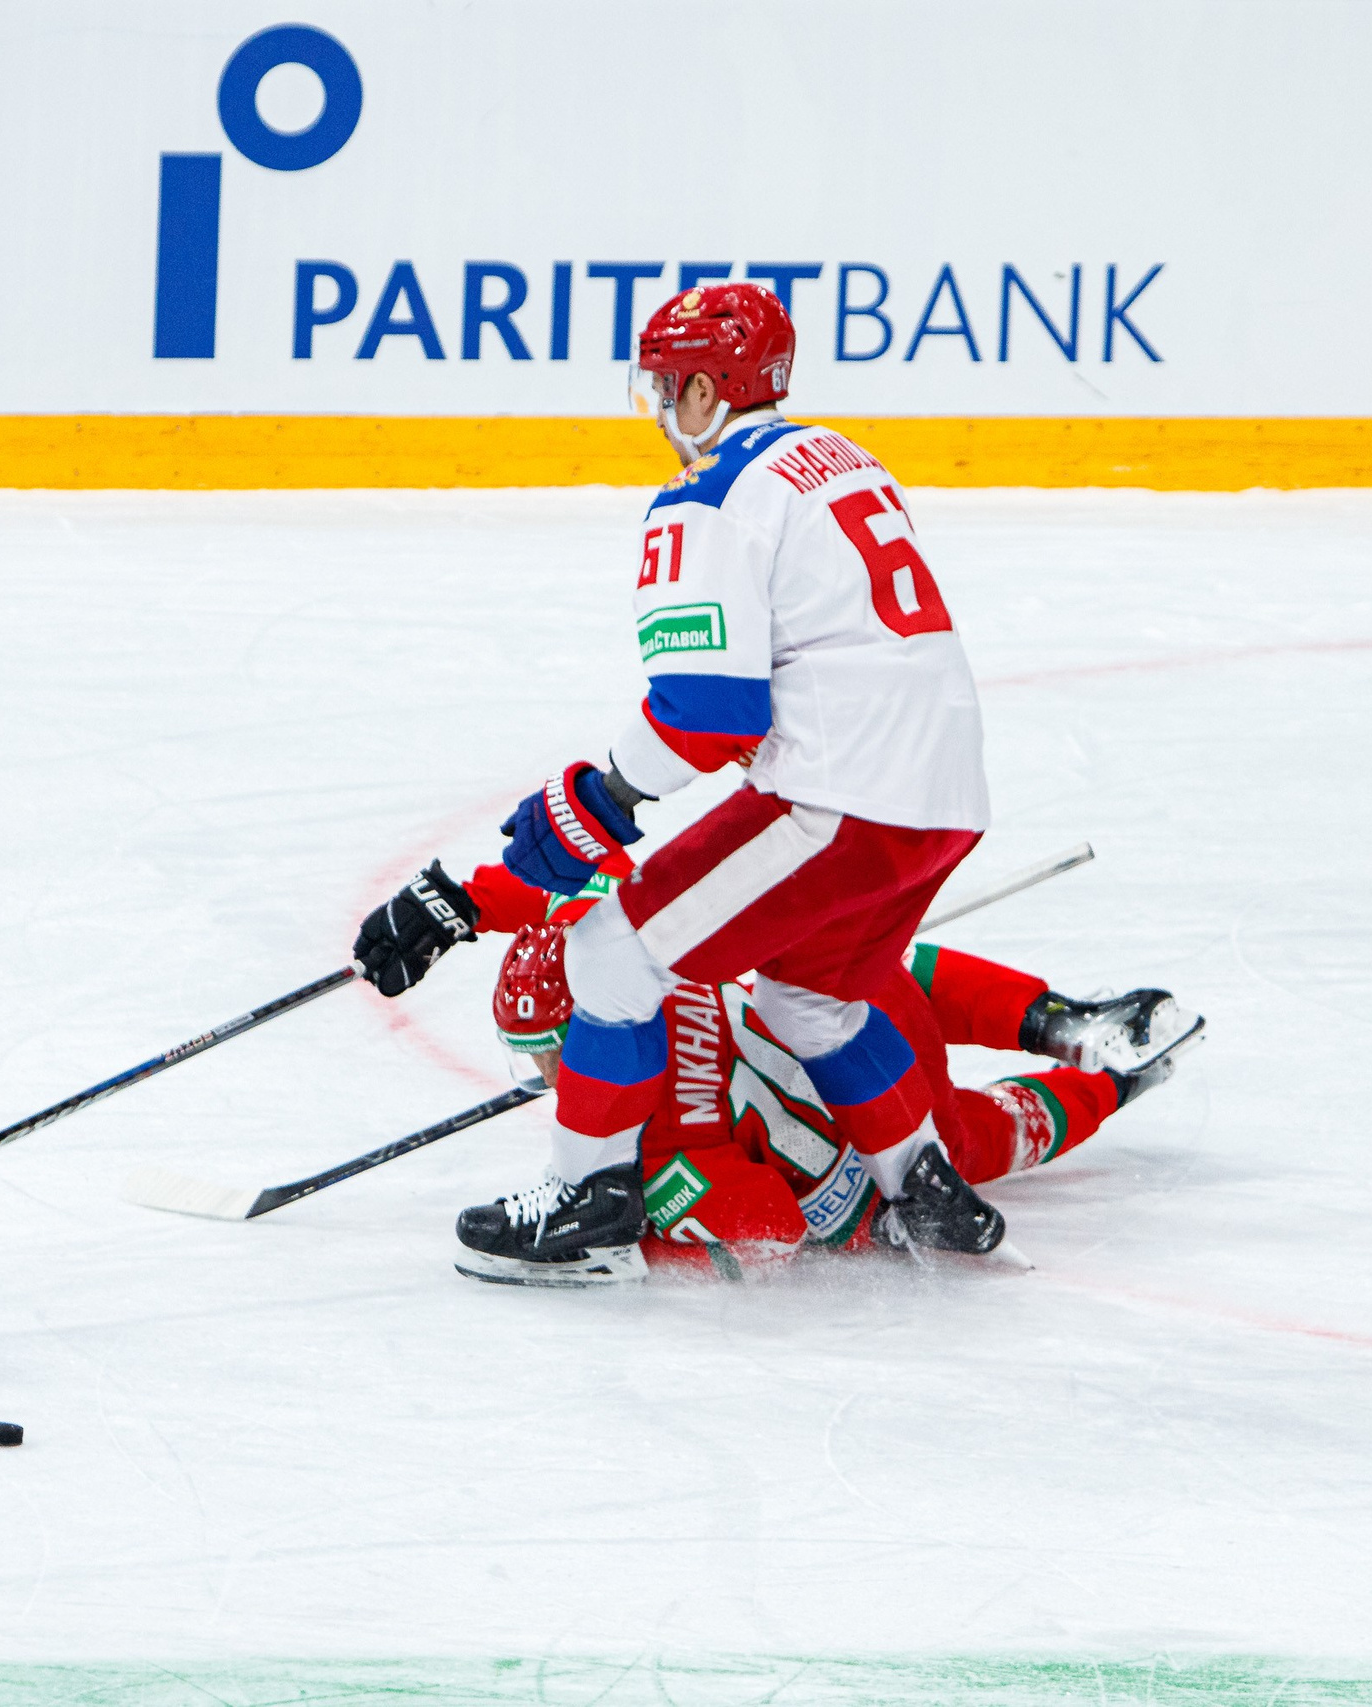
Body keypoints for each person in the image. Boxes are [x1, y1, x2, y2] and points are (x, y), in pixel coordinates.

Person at [412, 281, 1006, 1283]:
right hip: (945, 791)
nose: (655, 408)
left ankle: (585, 1212)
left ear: (701, 392)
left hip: (839, 796)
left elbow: (708, 713)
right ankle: (922, 1186)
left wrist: (596, 801)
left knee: (611, 958)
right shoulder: (837, 458)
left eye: (662, 386)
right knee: (812, 999)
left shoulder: (711, 497)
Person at [353, 854, 1202, 1284]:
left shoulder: (663, 1145)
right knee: (855, 970)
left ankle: (1113, 1085)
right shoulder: (649, 958)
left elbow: (770, 1225)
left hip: (878, 1164)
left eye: (550, 1054)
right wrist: (466, 901)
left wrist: (649, 1223)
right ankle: (1062, 1023)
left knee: (975, 1138)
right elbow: (597, 884)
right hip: (863, 1039)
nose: (548, 1075)